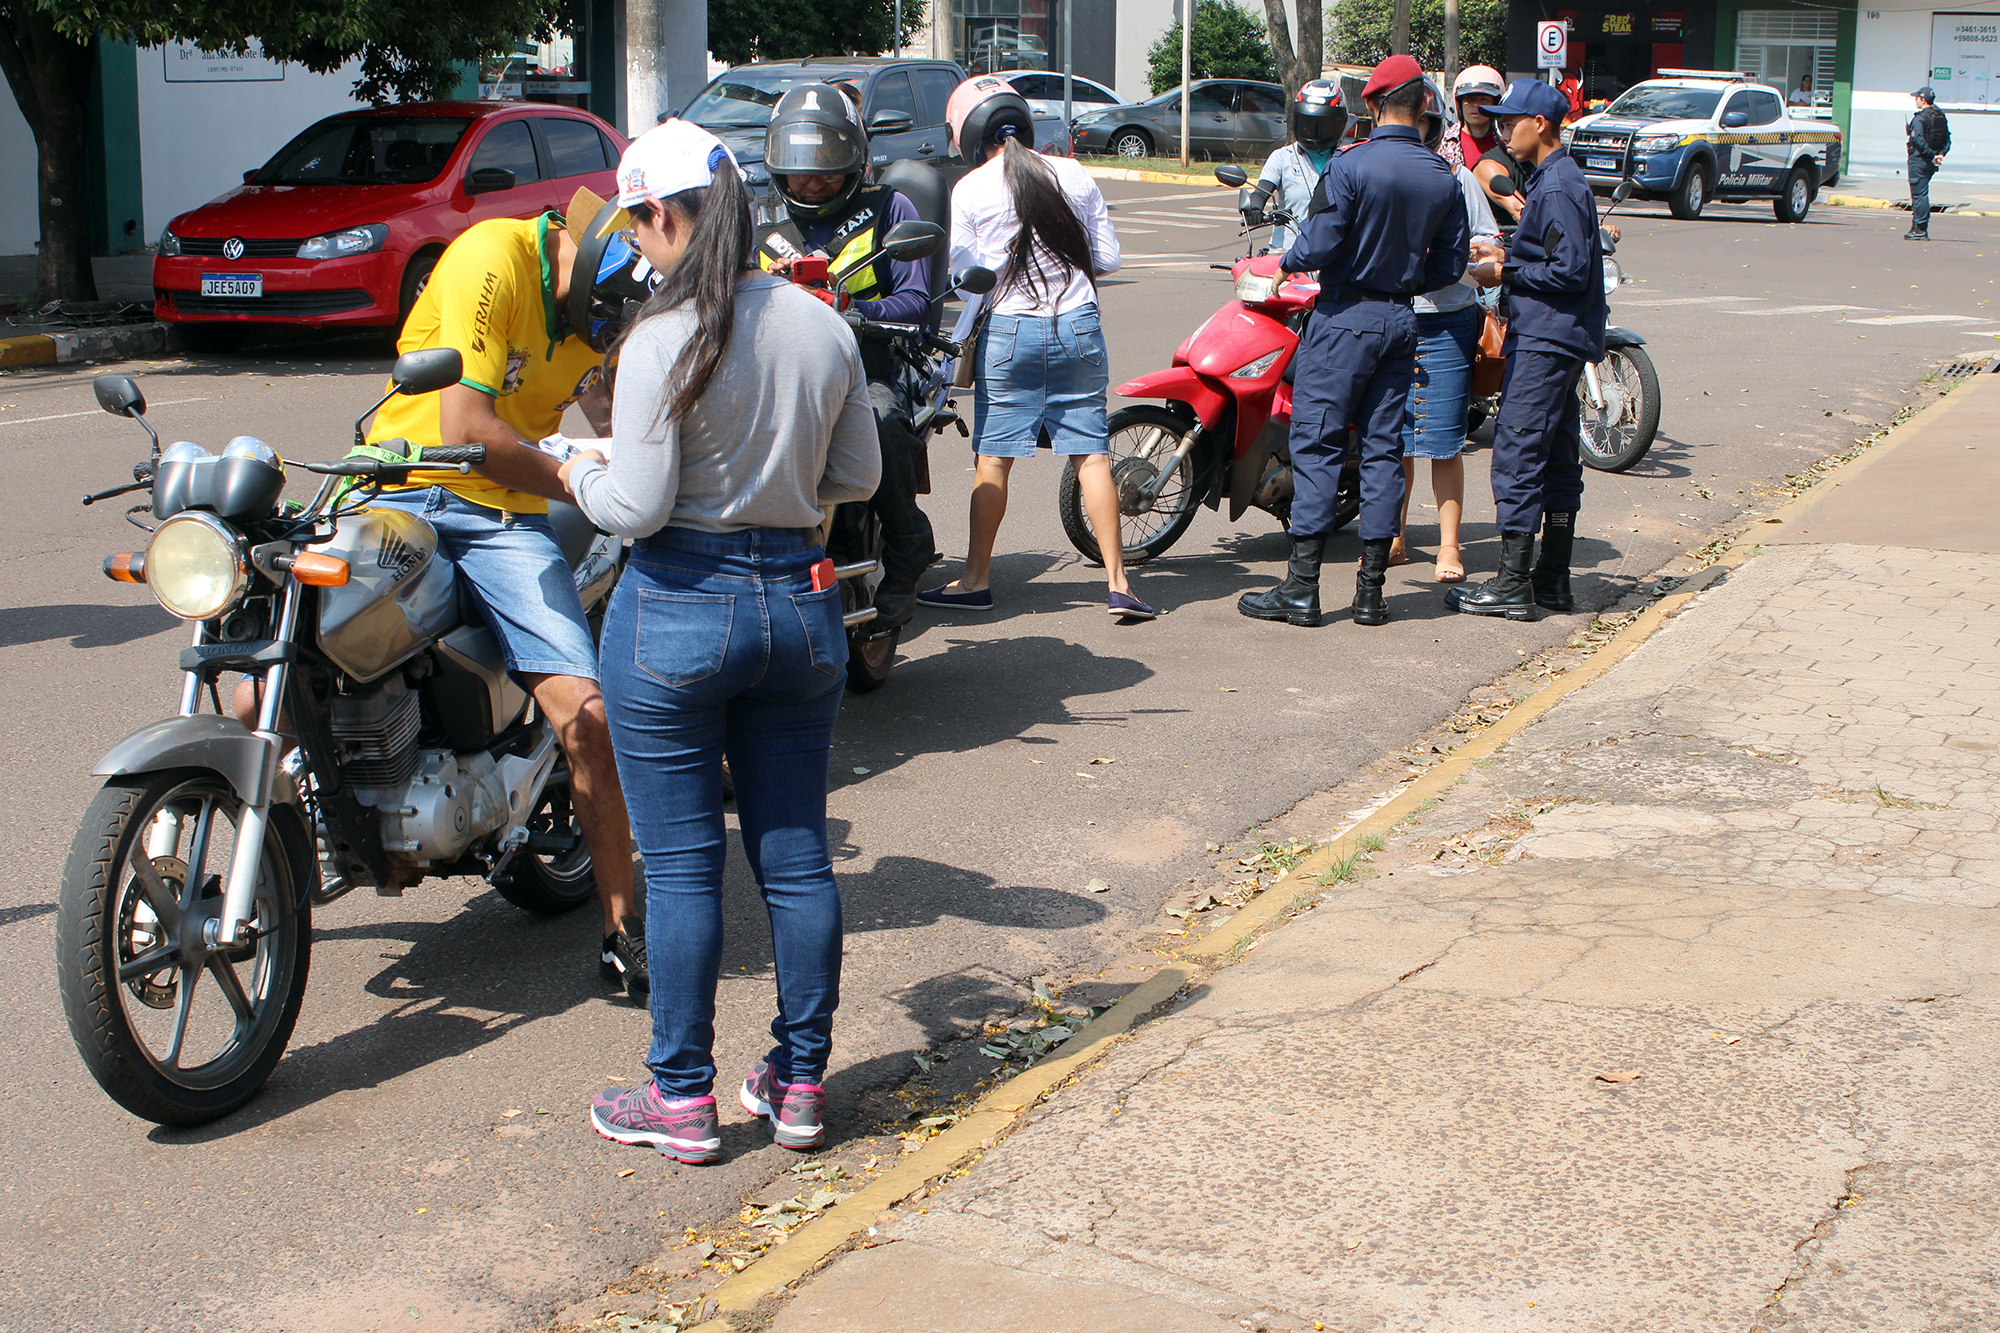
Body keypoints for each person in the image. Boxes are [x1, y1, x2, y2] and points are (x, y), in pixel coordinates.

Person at [566, 120, 881, 1165]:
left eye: (638, 228)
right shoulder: (816, 322)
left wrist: (576, 468)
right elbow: (859, 479)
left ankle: (683, 1099)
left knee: (686, 868)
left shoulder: (663, 335)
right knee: (793, 859)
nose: (637, 249)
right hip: (797, 603)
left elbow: (639, 506)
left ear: (662, 213)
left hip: (678, 609)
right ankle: (796, 1085)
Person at [355, 183, 652, 995]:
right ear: (579, 259)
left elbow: (607, 406)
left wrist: (646, 471)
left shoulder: (604, 306)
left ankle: (626, 929)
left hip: (504, 519)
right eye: (604, 321)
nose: (605, 338)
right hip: (397, 488)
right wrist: (579, 478)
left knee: (585, 720)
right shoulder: (495, 256)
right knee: (275, 644)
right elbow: (468, 431)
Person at [1237, 55, 1467, 630]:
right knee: (1384, 449)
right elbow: (1453, 264)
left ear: (1371, 104)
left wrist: (1283, 263)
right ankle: (1369, 594)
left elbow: (1317, 244)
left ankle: (1302, 589)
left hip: (1343, 319)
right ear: (1423, 109)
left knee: (1318, 446)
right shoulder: (1442, 175)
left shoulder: (1351, 165)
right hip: (1400, 319)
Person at [917, 76, 1155, 621]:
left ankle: (976, 579)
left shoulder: (971, 188)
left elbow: (966, 278)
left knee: (993, 459)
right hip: (1078, 326)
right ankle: (1119, 584)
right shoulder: (1073, 173)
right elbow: (1109, 259)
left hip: (1010, 334)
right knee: (1092, 453)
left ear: (971, 135)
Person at [754, 83, 938, 627]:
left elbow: (918, 303)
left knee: (880, 422)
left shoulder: (888, 208)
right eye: (799, 172)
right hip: (773, 373)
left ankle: (908, 547)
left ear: (855, 161)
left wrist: (851, 305)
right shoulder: (754, 216)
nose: (811, 182)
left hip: (867, 369)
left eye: (827, 170)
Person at [1451, 78, 1607, 621]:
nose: (1499, 130)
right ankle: (1553, 579)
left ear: (1539, 124)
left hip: (1545, 339)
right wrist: (1509, 248)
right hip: (1557, 339)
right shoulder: (1553, 180)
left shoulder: (1558, 185)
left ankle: (1514, 583)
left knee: (1517, 454)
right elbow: (1556, 251)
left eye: (1507, 121)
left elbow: (1570, 268)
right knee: (1560, 457)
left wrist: (1504, 267)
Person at [1391, 78, 1502, 586]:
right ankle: (1392, 534)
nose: (1416, 135)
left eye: (1425, 126)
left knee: (1443, 440)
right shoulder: (1384, 174)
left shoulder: (1459, 181)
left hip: (1449, 322)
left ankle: (1449, 546)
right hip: (1394, 317)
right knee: (1391, 437)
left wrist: (1469, 256)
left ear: (1435, 129)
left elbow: (1489, 243)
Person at [1247, 80, 1348, 252]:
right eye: (1307, 124)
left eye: (1323, 125)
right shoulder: (1282, 157)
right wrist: (1254, 208)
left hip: (1333, 255)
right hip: (1286, 254)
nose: (1314, 132)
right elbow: (1261, 192)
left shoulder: (1346, 159)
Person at [1906, 87, 1951, 241]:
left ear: (1923, 99)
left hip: (1919, 161)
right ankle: (1917, 227)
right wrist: (1940, 154)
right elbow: (1947, 140)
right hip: (1931, 162)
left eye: (1917, 97)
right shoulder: (1940, 116)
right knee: (1922, 194)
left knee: (1919, 195)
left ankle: (1919, 229)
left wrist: (1932, 155)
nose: (1915, 100)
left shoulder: (1919, 118)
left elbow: (1918, 140)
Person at [1452, 65, 1506, 170]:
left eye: (1484, 99)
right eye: (1469, 99)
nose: (1476, 105)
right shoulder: (1442, 144)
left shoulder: (1506, 143)